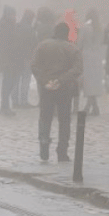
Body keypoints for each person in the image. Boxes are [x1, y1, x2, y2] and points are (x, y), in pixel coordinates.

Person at [32, 22, 83, 162]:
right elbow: (78, 68)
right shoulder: (72, 49)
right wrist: (61, 80)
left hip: (46, 88)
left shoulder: (42, 46)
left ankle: (44, 143)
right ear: (67, 34)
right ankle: (62, 150)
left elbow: (34, 65)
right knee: (64, 119)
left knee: (45, 117)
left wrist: (45, 81)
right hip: (65, 88)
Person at [0, 6, 21, 115]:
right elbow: (4, 44)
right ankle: (4, 107)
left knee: (11, 82)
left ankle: (5, 106)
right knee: (7, 83)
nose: (14, 16)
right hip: (7, 59)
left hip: (14, 59)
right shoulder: (3, 26)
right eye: (12, 14)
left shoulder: (12, 25)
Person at [79, 9, 104, 116]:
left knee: (88, 82)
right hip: (97, 56)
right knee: (94, 82)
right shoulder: (100, 28)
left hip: (87, 56)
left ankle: (90, 106)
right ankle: (93, 106)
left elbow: (80, 42)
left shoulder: (85, 27)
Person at [14, 9, 37, 108]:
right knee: (25, 80)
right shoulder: (30, 29)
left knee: (16, 80)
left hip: (16, 57)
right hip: (27, 57)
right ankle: (24, 101)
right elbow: (34, 43)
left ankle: (15, 101)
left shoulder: (16, 26)